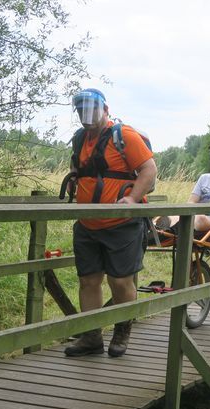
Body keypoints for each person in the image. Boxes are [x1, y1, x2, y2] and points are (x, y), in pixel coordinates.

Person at [64, 88, 157, 357]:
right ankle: (92, 337)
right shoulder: (80, 138)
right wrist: (73, 179)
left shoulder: (124, 135)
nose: (87, 114)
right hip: (87, 223)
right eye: (82, 110)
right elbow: (78, 167)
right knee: (88, 281)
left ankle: (122, 330)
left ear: (106, 110)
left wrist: (132, 199)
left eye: (92, 109)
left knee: (119, 281)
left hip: (121, 224)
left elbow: (149, 169)